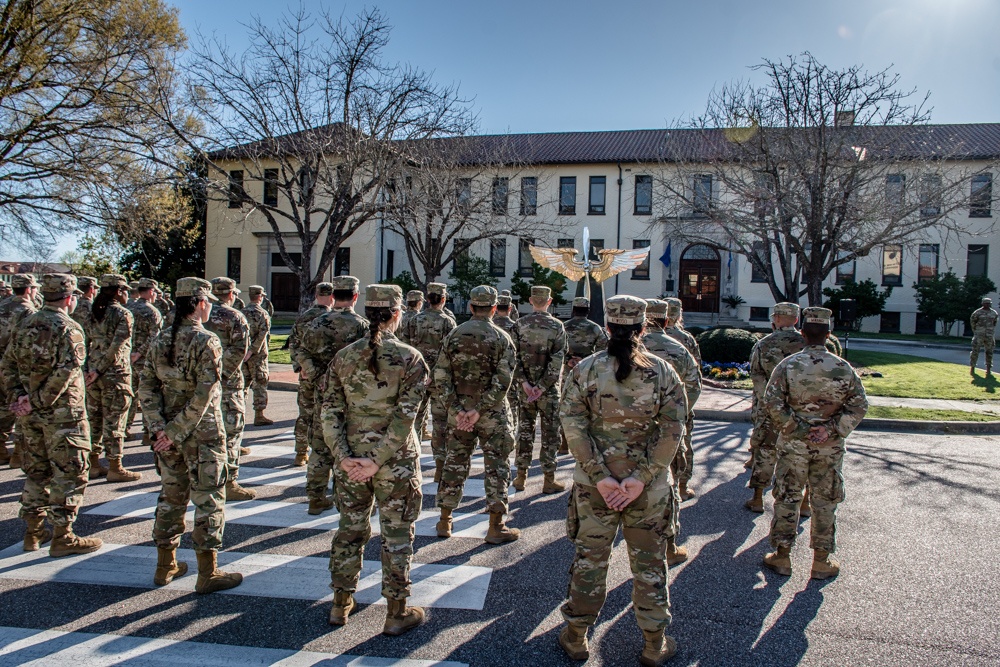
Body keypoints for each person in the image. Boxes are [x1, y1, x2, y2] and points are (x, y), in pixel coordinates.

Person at [557, 296, 687, 666]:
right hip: (648, 491)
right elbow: (673, 430)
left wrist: (600, 476)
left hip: (595, 489)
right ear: (643, 328)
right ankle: (653, 644)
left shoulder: (585, 370)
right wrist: (641, 477)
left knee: (590, 562)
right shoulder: (663, 371)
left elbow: (572, 425)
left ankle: (577, 636)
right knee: (649, 567)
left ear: (608, 327)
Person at [322, 284, 428, 634]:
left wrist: (343, 456)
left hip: (351, 458)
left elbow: (330, 412)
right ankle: (396, 612)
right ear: (397, 314)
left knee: (350, 529)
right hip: (395, 461)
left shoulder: (344, 357)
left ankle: (340, 603)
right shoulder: (410, 358)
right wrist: (378, 458)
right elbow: (405, 416)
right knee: (397, 534)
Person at [139, 277, 243, 594]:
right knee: (208, 499)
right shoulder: (206, 340)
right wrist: (171, 431)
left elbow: (146, 389)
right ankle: (207, 572)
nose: (209, 305)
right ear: (200, 303)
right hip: (203, 435)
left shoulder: (160, 341)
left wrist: (160, 429)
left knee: (171, 498)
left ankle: (164, 565)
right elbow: (205, 393)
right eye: (207, 301)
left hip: (167, 436)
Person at [762, 307, 868, 580]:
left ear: (802, 332)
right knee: (824, 500)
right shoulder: (843, 368)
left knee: (787, 497)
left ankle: (782, 557)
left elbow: (772, 402)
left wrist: (796, 427)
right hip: (828, 447)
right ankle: (821, 561)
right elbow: (858, 406)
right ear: (828, 335)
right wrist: (830, 430)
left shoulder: (787, 365)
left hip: (794, 445)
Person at [2, 274, 103, 557]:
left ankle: (33, 533)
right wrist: (34, 401)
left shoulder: (25, 325)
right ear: (69, 298)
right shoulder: (69, 328)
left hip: (30, 416)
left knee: (37, 472)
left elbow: (7, 364)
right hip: (63, 417)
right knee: (70, 474)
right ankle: (63, 536)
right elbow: (66, 372)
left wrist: (19, 399)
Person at [433, 285, 519, 544]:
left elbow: (441, 375)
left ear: (471, 307)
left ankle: (445, 520)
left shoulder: (454, 335)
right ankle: (496, 526)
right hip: (492, 415)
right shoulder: (503, 338)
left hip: (458, 415)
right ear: (494, 308)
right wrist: (479, 410)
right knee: (497, 467)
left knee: (454, 463)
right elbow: (503, 381)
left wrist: (458, 410)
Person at [299, 276, 369, 515]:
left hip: (322, 394)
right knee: (346, 447)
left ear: (333, 296)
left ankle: (315, 497)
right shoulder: (361, 326)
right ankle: (343, 497)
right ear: (355, 296)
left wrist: (317, 375)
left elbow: (301, 351)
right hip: (351, 398)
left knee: (320, 447)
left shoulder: (317, 323)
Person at [642, 298, 701, 567]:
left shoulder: (630, 347)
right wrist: (675, 415)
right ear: (666, 321)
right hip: (670, 429)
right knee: (668, 484)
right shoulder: (680, 347)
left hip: (628, 429)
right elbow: (693, 387)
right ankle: (668, 546)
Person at [746, 303, 806, 513]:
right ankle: (805, 503)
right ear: (796, 320)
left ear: (777, 319)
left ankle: (757, 498)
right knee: (803, 454)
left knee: (766, 450)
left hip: (770, 408)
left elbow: (756, 374)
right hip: (801, 409)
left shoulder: (764, 344)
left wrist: (769, 401)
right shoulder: (807, 343)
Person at [87, 274, 142, 483]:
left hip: (93, 373)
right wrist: (100, 369)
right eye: (125, 290)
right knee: (115, 421)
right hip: (114, 373)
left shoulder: (93, 312)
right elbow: (117, 347)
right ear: (119, 291)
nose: (127, 294)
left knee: (95, 419)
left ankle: (93, 464)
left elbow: (84, 342)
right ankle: (115, 466)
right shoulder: (122, 314)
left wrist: (90, 370)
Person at [204, 277, 256, 502]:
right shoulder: (234, 316)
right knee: (231, 431)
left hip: (199, 384)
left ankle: (204, 478)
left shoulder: (199, 315)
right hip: (228, 384)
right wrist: (221, 374)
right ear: (232, 294)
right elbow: (240, 351)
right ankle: (229, 481)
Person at [512, 285, 567, 493]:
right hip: (549, 391)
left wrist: (525, 383)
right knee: (550, 434)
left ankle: (520, 477)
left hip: (525, 390)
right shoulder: (557, 327)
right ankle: (548, 479)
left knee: (524, 431)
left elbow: (512, 356)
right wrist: (542, 387)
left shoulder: (519, 325)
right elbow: (557, 360)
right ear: (549, 301)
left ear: (530, 300)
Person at [403, 282, 456, 482]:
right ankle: (440, 466)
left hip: (417, 375)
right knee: (441, 423)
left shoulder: (415, 320)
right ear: (443, 299)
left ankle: (411, 463)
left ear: (427, 299)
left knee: (414, 420)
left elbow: (406, 347)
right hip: (439, 379)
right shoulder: (448, 322)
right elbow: (451, 352)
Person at [289, 282, 334, 467]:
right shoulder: (331, 318)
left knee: (305, 413)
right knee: (328, 415)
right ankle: (325, 454)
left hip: (307, 374)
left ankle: (301, 452)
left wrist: (300, 368)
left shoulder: (303, 318)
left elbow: (294, 344)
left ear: (316, 295)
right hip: (327, 376)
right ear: (332, 297)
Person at [663, 297, 701, 501]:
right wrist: (685, 407)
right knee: (682, 444)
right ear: (679, 314)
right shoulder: (686, 339)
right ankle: (682, 486)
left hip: (645, 407)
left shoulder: (640, 338)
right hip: (679, 404)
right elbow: (696, 375)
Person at [560, 296, 609, 455]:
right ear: (588, 310)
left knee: (567, 404)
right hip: (589, 371)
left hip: (569, 371)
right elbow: (603, 350)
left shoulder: (564, 326)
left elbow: (557, 347)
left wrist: (568, 360)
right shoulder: (595, 328)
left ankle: (564, 443)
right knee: (589, 406)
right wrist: (585, 360)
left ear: (573, 309)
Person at [0, 273, 39, 468]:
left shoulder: (2, 306)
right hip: (16, 364)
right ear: (29, 289)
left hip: (3, 363)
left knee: (2, 407)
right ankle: (18, 453)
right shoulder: (28, 311)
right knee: (21, 408)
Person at [126, 278, 164, 444]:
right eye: (154, 292)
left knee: (129, 395)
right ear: (150, 291)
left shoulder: (127, 308)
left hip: (126, 357)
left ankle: (125, 429)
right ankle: (147, 433)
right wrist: (139, 353)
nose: (156, 295)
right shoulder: (152, 311)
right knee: (147, 396)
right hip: (144, 360)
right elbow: (154, 337)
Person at [242, 285, 273, 426]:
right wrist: (252, 351)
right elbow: (262, 335)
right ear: (260, 296)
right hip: (257, 355)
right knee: (260, 383)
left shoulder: (242, 313)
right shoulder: (262, 313)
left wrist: (244, 351)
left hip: (242, 355)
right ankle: (259, 415)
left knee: (243, 384)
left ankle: (239, 412)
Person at [970, 297, 998, 377]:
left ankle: (988, 369)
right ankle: (972, 367)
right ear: (982, 303)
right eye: (986, 303)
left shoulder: (994, 313)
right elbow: (973, 322)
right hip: (979, 335)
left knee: (989, 352)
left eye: (989, 303)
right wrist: (976, 331)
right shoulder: (977, 312)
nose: (987, 304)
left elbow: (994, 323)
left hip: (989, 335)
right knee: (975, 351)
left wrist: (990, 331)